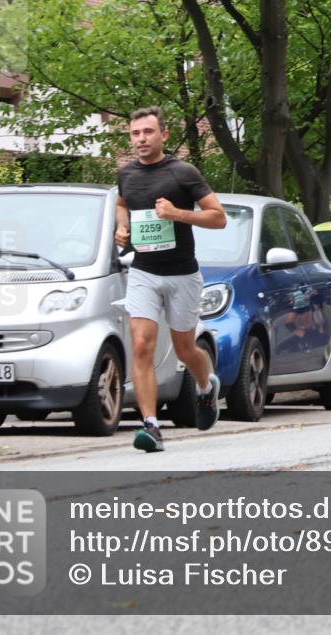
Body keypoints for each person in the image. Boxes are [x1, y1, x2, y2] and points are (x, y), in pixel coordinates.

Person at [115, 106, 227, 452]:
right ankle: (151, 425)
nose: (141, 139)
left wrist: (177, 213)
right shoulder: (126, 174)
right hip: (144, 272)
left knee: (184, 347)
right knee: (142, 343)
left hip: (182, 275)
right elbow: (122, 202)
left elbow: (218, 217)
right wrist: (123, 226)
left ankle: (207, 387)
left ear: (163, 135)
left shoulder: (183, 172)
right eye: (135, 134)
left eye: (148, 132)